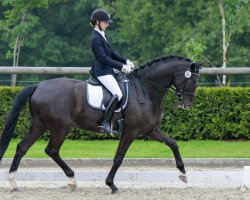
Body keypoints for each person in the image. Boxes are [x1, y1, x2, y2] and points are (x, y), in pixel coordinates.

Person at [90, 8, 135, 134]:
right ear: (97, 22)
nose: (108, 24)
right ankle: (105, 123)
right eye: (106, 22)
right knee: (118, 93)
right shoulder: (95, 38)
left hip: (108, 71)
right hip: (102, 72)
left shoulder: (101, 35)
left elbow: (111, 53)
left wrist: (126, 60)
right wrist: (121, 67)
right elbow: (103, 58)